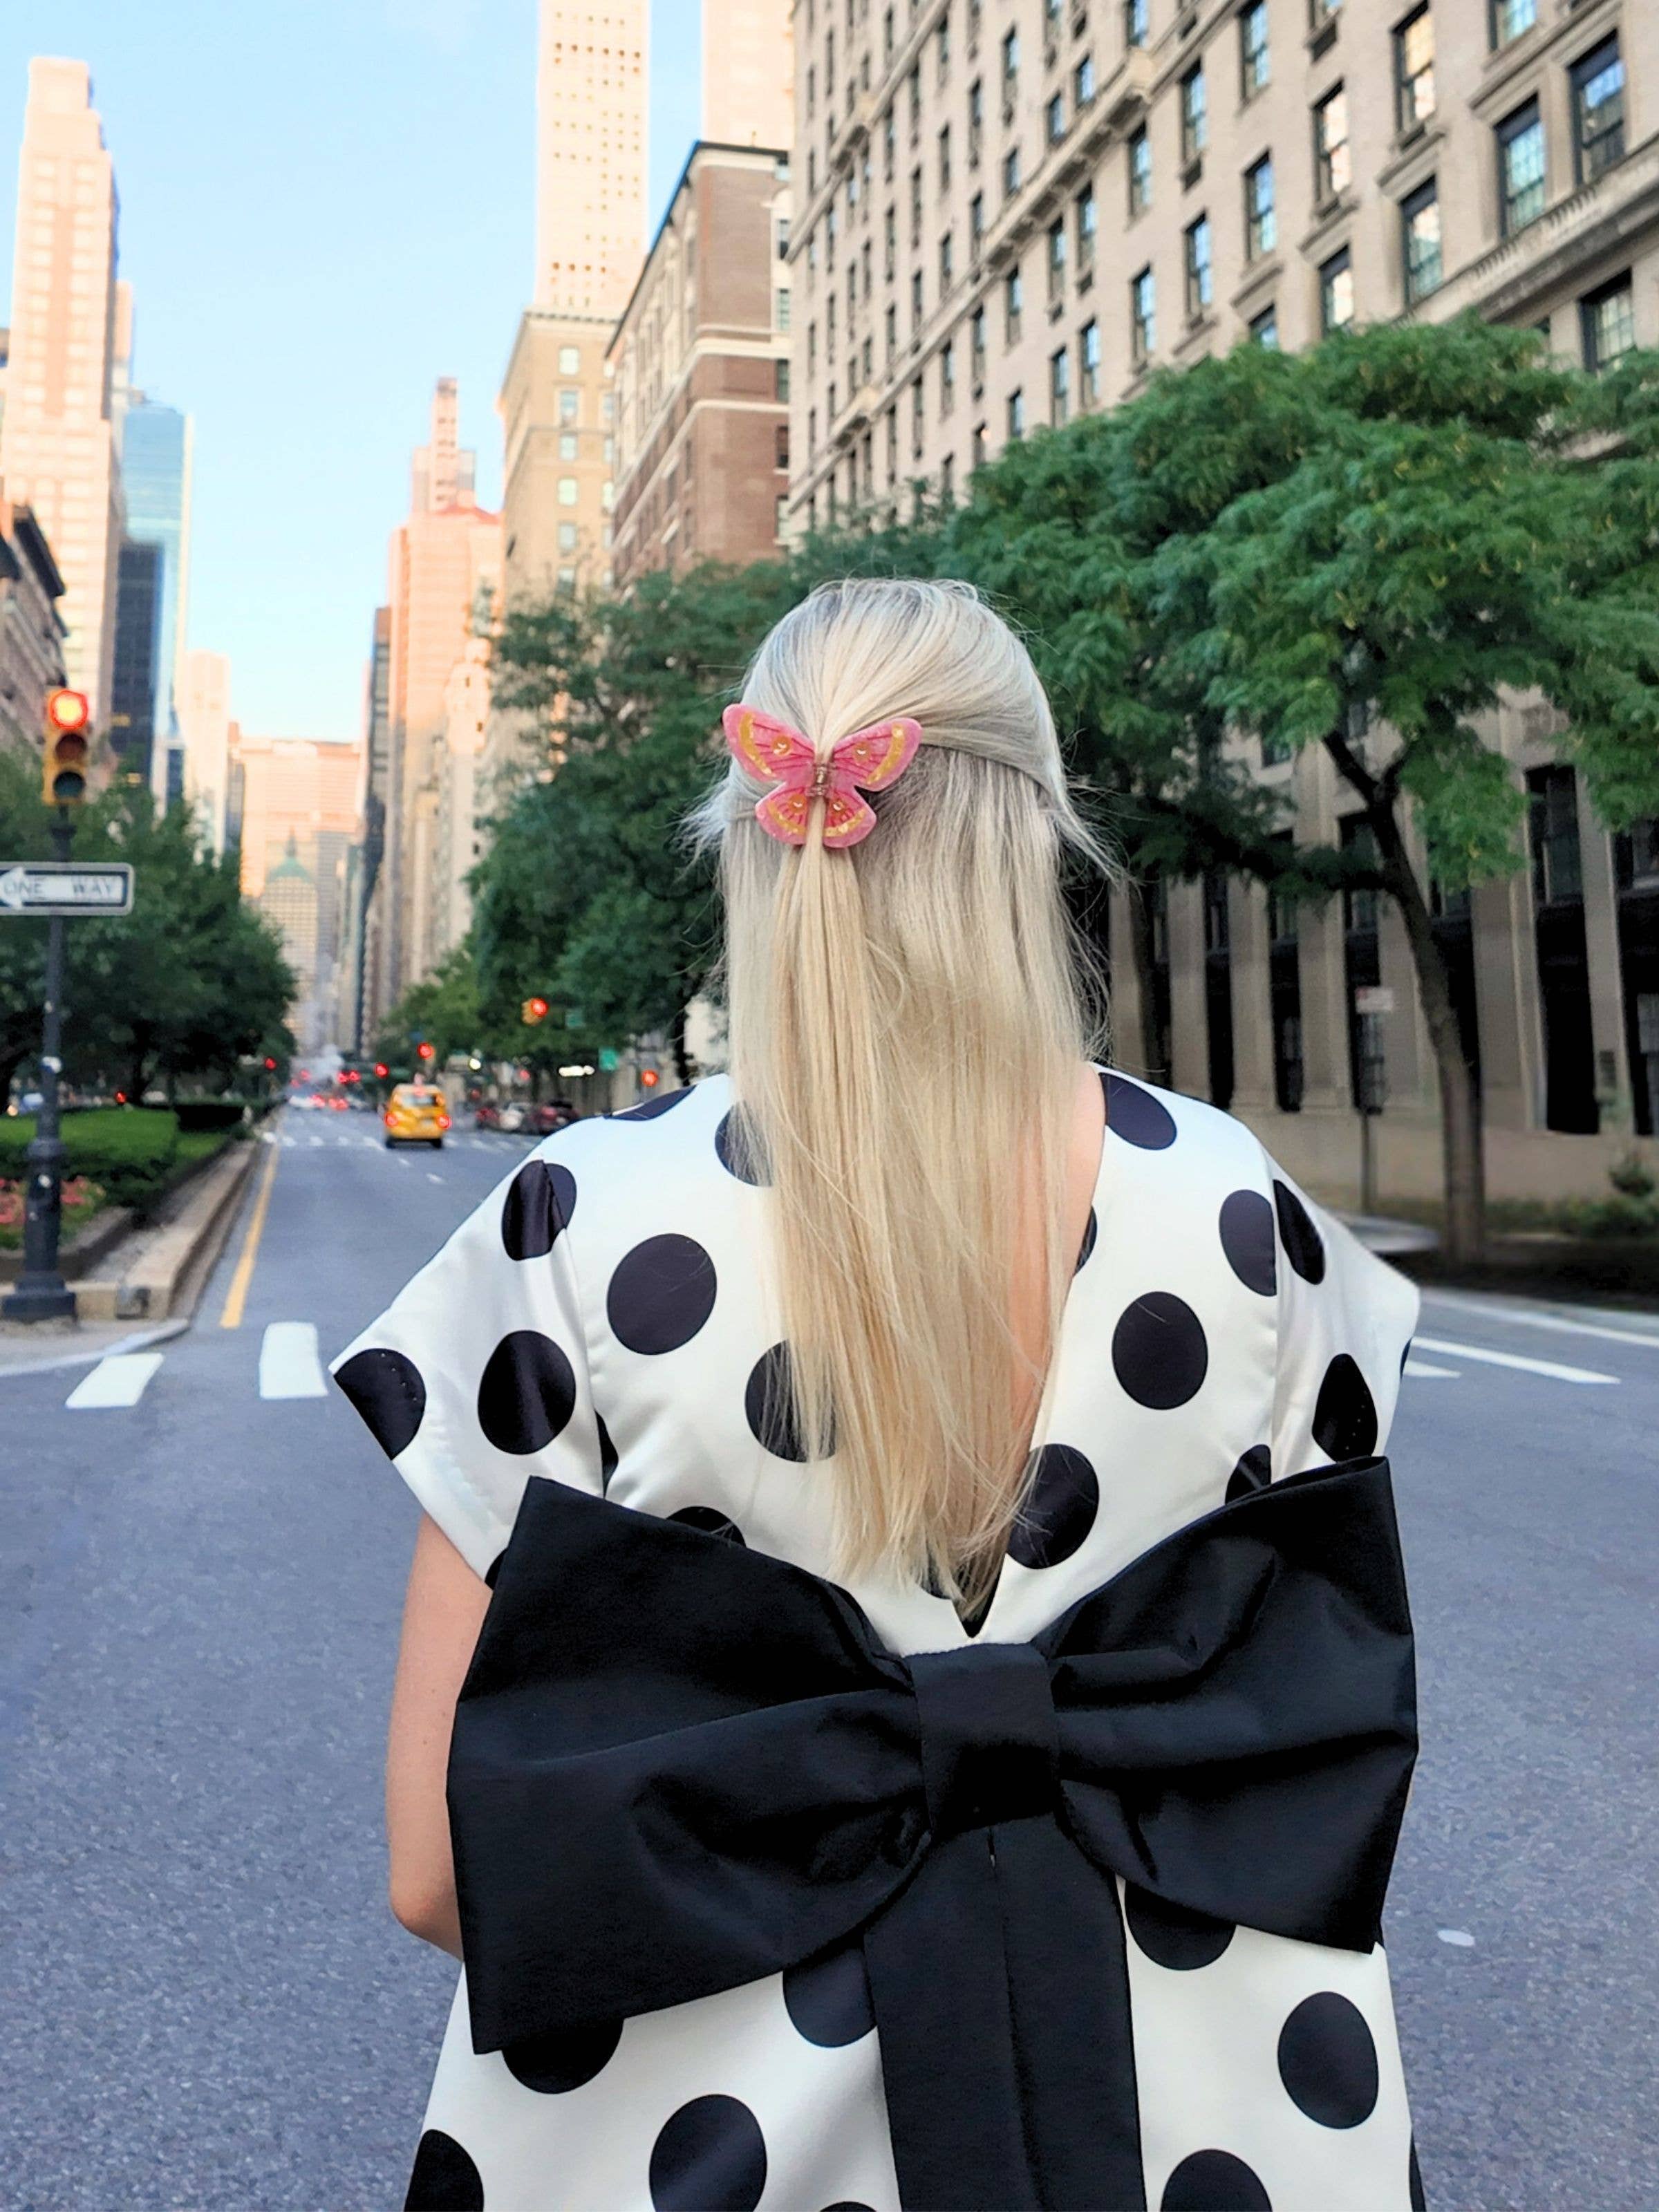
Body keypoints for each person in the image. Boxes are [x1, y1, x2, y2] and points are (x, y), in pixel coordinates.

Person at [335, 578, 1423, 2212]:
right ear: (1039, 832)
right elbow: (1299, 1742)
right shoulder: (1241, 1213)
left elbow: (439, 1867)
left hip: (705, 2147)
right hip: (1212, 2133)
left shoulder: (580, 1222)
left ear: (756, 838)